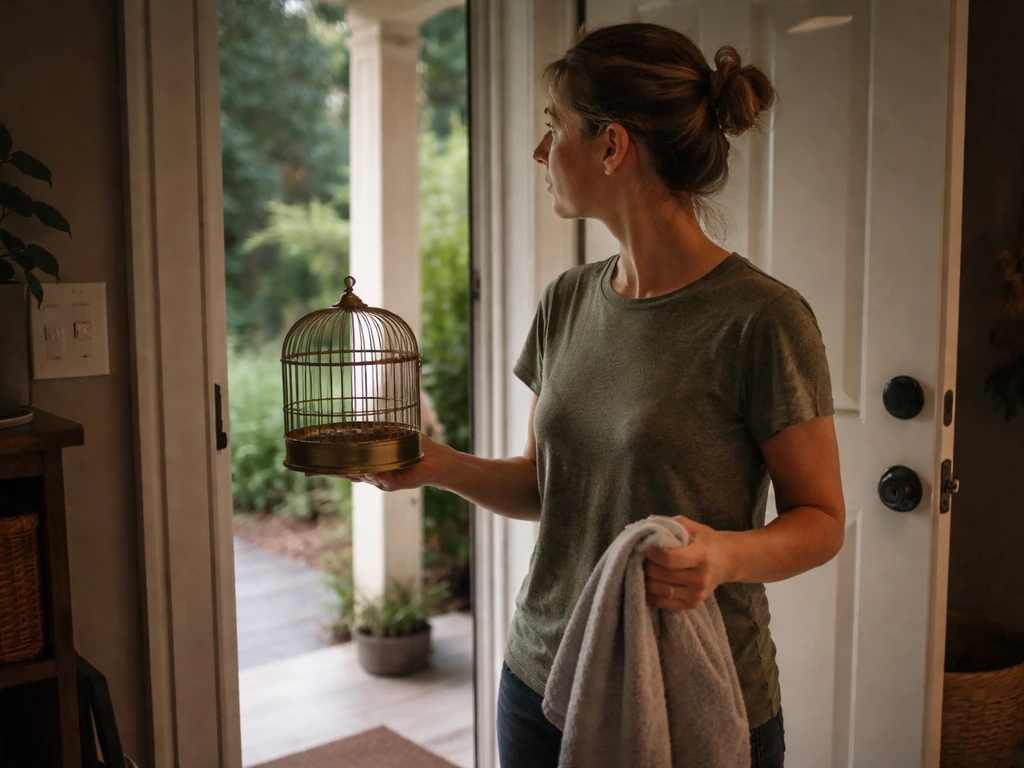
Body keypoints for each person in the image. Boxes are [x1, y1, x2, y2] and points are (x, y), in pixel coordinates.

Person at [319, 22, 845, 768]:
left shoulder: (761, 318)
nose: (540, 152)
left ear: (611, 145)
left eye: (553, 127)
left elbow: (822, 521)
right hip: (541, 680)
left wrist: (724, 556)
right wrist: (430, 463)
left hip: (696, 690)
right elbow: (544, 486)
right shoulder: (567, 299)